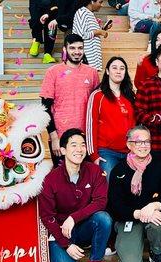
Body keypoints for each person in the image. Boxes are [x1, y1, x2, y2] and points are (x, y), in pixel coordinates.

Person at [39, 128, 113, 262]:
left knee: (103, 218)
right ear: (63, 150)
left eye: (82, 145)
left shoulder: (94, 171)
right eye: (74, 145)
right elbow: (47, 217)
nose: (79, 149)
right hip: (61, 233)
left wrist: (73, 218)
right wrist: (66, 244)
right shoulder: (51, 179)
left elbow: (100, 202)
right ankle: (60, 254)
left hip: (83, 227)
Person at [107, 126, 161, 262]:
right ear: (129, 144)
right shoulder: (119, 170)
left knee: (158, 221)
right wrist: (138, 213)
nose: (143, 145)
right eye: (138, 142)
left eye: (147, 141)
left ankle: (156, 252)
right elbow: (115, 206)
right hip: (129, 217)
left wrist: (154, 205)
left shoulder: (160, 165)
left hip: (153, 214)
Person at [40, 33, 100, 167]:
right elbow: (45, 107)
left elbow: (96, 105)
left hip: (86, 136)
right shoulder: (52, 72)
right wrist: (54, 137)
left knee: (85, 178)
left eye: (80, 48)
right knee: (63, 179)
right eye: (72, 48)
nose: (77, 52)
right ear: (65, 49)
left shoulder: (92, 73)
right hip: (61, 136)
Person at [86, 56, 136, 178]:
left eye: (122, 68)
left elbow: (135, 125)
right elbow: (90, 125)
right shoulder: (97, 95)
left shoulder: (130, 96)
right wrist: (94, 155)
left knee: (130, 190)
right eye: (114, 68)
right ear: (107, 71)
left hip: (129, 152)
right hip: (107, 152)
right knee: (110, 190)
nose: (118, 71)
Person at [72, 0, 111, 71]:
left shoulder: (89, 14)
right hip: (86, 59)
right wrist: (99, 32)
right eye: (100, 2)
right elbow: (81, 35)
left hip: (93, 59)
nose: (101, 5)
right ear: (92, 1)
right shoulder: (82, 12)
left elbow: (91, 33)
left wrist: (103, 29)